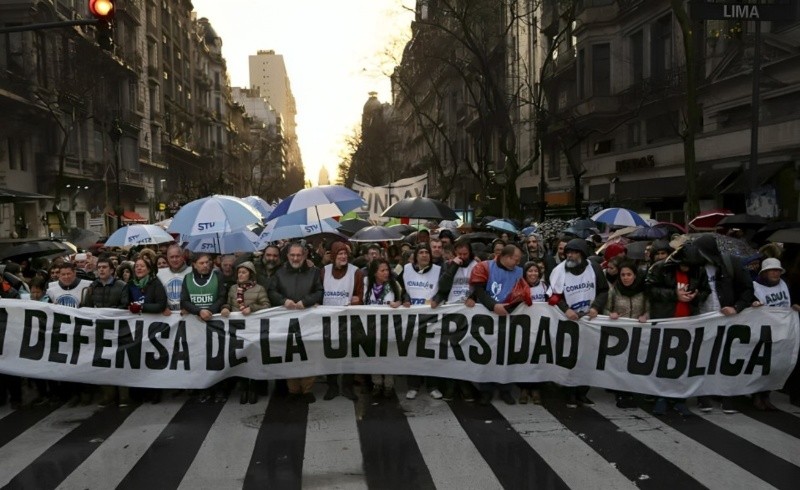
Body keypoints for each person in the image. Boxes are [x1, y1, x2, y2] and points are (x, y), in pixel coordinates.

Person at [693, 234, 755, 414]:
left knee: (727, 358)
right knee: (702, 358)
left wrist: (737, 307)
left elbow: (748, 289)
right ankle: (703, 396)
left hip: (727, 321)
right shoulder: (696, 267)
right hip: (703, 319)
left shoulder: (731, 264)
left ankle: (727, 396)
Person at [646, 242, 711, 416]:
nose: (686, 268)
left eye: (689, 266)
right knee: (662, 361)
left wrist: (696, 297)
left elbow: (706, 290)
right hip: (665, 320)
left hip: (688, 322)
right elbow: (650, 290)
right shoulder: (660, 268)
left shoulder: (699, 270)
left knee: (683, 363)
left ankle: (679, 399)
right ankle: (661, 397)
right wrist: (674, 295)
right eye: (683, 265)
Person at [547, 238, 609, 408]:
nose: (570, 256)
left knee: (588, 358)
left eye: (574, 252)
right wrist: (566, 309)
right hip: (569, 321)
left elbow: (604, 290)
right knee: (570, 357)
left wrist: (596, 307)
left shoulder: (594, 268)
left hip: (589, 320)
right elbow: (552, 296)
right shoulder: (559, 271)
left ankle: (582, 393)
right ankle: (569, 393)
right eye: (568, 252)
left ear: (582, 254)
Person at [267, 242, 324, 403]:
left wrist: (305, 302)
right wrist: (283, 300)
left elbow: (320, 291)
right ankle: (293, 390)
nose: (296, 258)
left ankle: (307, 390)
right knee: (290, 354)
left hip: (308, 322)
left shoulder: (314, 272)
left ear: (304, 255)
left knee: (309, 354)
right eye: (292, 255)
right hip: (287, 322)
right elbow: (272, 291)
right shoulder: (280, 273)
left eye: (299, 255)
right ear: (288, 256)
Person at [469, 244, 525, 405]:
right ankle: (486, 390)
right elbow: (479, 290)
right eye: (515, 259)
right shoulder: (484, 267)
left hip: (508, 319)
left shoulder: (519, 272)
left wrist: (508, 308)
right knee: (487, 356)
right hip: (487, 318)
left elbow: (521, 294)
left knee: (506, 356)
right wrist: (494, 306)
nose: (517, 262)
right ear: (506, 257)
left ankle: (505, 389)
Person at [431, 239, 478, 402]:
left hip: (468, 313)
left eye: (465, 254)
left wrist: (473, 297)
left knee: (465, 350)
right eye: (460, 255)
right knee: (450, 350)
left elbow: (481, 286)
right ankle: (450, 386)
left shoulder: (476, 266)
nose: (463, 257)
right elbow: (443, 286)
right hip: (450, 312)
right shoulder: (448, 265)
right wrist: (453, 266)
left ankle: (465, 385)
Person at [750, 257, 800, 410]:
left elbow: (787, 303)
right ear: (764, 272)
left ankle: (766, 395)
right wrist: (753, 304)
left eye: (778, 270)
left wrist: (794, 306)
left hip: (781, 332)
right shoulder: (755, 286)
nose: (776, 273)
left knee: (775, 365)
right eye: (772, 270)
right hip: (763, 332)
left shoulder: (784, 284)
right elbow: (747, 303)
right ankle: (757, 395)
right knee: (761, 365)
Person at [398, 243, 443, 400]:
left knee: (431, 351)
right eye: (421, 252)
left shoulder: (438, 270)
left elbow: (444, 289)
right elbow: (400, 288)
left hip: (431, 317)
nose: (424, 255)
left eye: (427, 252)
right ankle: (413, 386)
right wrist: (405, 298)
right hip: (412, 317)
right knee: (413, 351)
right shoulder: (407, 269)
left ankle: (432, 386)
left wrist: (436, 300)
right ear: (416, 256)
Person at [320, 241, 364, 401]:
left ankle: (347, 386)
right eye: (340, 254)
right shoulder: (324, 271)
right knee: (329, 353)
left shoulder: (356, 272)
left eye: (345, 253)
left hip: (348, 320)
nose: (343, 256)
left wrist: (357, 300)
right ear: (333, 256)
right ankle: (332, 386)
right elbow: (318, 291)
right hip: (328, 320)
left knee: (348, 353)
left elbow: (361, 296)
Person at [180, 253, 227, 403]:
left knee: (217, 357)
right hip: (195, 325)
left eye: (207, 262)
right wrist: (198, 311)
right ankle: (203, 388)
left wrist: (210, 311)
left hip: (214, 322)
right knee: (199, 358)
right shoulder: (187, 279)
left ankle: (219, 389)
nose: (205, 265)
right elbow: (184, 301)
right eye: (201, 263)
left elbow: (222, 297)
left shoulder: (217, 276)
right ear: (194, 264)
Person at [221, 261, 269, 404]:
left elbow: (266, 305)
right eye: (239, 272)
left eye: (244, 272)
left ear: (251, 274)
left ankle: (253, 387)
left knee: (253, 357)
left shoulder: (259, 289)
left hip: (253, 329)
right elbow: (228, 302)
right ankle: (243, 387)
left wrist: (252, 308)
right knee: (240, 357)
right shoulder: (232, 288)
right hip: (237, 329)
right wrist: (225, 308)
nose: (240, 275)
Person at [362, 258, 405, 398]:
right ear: (375, 273)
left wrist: (399, 302)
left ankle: (388, 384)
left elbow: (404, 299)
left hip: (389, 328)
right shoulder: (366, 283)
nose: (386, 273)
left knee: (388, 356)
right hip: (371, 327)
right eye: (382, 270)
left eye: (387, 270)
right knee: (373, 356)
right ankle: (376, 383)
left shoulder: (394, 284)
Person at [128, 257, 169, 403]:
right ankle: (138, 393)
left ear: (149, 269)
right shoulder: (131, 284)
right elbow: (124, 303)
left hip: (152, 328)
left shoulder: (155, 283)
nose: (138, 268)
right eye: (136, 266)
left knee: (151, 360)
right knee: (137, 360)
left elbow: (160, 305)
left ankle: (154, 392)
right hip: (136, 329)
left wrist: (141, 307)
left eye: (142, 266)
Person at [518, 261, 548, 404]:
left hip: (540, 328)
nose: (533, 274)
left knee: (538, 359)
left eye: (535, 271)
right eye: (530, 271)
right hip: (522, 328)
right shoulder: (519, 286)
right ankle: (524, 388)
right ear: (525, 273)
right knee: (523, 358)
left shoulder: (544, 287)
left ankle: (536, 388)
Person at [157, 244, 191, 314]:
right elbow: (156, 297)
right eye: (171, 257)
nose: (174, 259)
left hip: (188, 315)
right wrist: (163, 308)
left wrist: (190, 308)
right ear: (168, 258)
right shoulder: (160, 274)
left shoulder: (192, 271)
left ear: (182, 257)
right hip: (168, 316)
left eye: (177, 256)